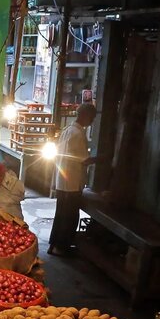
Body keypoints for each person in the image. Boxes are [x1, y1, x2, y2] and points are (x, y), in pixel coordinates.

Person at [47, 103, 97, 256]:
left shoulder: (67, 130)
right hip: (72, 182)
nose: (92, 121)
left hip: (62, 181)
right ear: (86, 116)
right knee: (70, 217)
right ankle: (62, 248)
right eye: (92, 118)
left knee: (61, 214)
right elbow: (84, 160)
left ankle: (54, 245)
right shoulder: (78, 134)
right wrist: (102, 159)